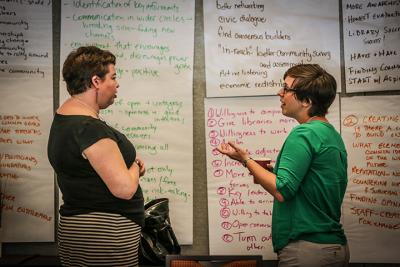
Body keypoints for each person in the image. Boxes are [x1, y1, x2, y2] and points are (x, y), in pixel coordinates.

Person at [217, 64, 349, 267]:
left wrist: (246, 160)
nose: (280, 93)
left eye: (286, 89)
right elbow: (308, 182)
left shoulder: (304, 133)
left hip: (307, 251)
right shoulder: (329, 134)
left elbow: (282, 190)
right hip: (330, 247)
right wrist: (259, 166)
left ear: (306, 101)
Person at [47, 46, 145, 266]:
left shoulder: (64, 118)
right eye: (113, 76)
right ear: (96, 81)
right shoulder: (89, 128)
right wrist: (135, 167)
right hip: (104, 236)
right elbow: (124, 189)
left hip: (82, 228)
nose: (117, 83)